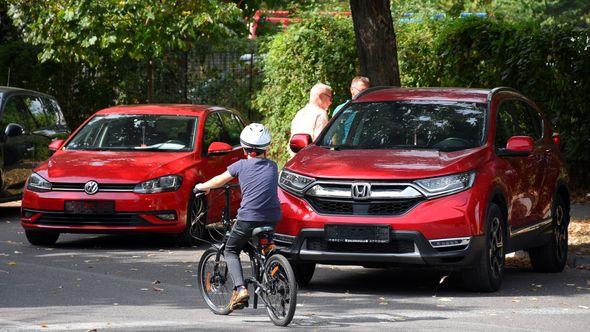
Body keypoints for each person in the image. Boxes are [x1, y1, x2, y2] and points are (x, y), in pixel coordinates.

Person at [194, 123, 281, 313]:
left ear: (244, 148)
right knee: (261, 242)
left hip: (249, 217)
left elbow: (219, 180)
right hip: (273, 216)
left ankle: (240, 289)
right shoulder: (273, 166)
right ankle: (274, 263)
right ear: (267, 148)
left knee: (232, 249)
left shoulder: (240, 165)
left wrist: (202, 187)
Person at [289, 82, 333, 157]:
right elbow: (320, 144)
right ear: (321, 96)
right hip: (311, 160)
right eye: (330, 98)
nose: (330, 102)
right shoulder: (321, 114)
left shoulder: (300, 113)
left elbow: (291, 141)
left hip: (295, 159)